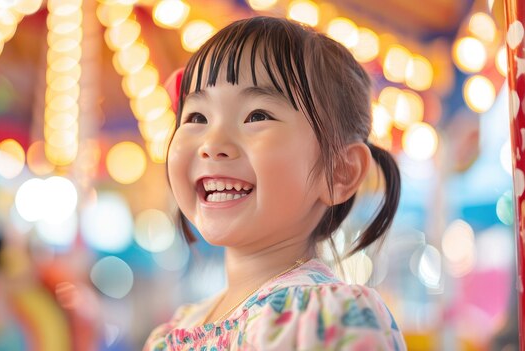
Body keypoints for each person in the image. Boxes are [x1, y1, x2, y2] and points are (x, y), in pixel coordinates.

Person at [145, 16, 406, 350]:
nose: (212, 143)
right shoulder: (171, 332)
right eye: (197, 117)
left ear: (339, 171)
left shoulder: (329, 318)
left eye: (257, 116)